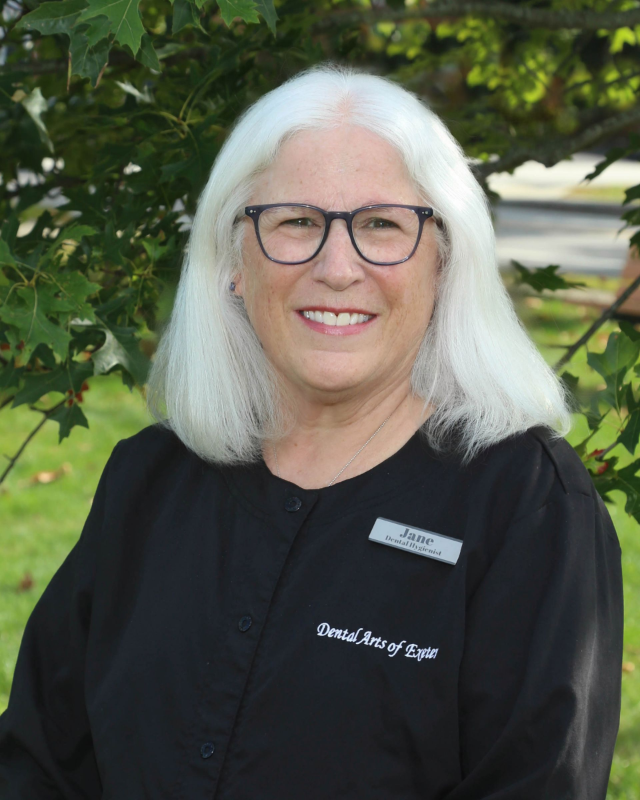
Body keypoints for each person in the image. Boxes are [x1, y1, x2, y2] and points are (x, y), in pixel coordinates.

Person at [0, 63, 623, 799]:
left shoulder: (527, 509)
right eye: (296, 221)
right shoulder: (150, 479)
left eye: (381, 225)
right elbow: (38, 763)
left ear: (445, 262)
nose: (337, 267)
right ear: (233, 260)